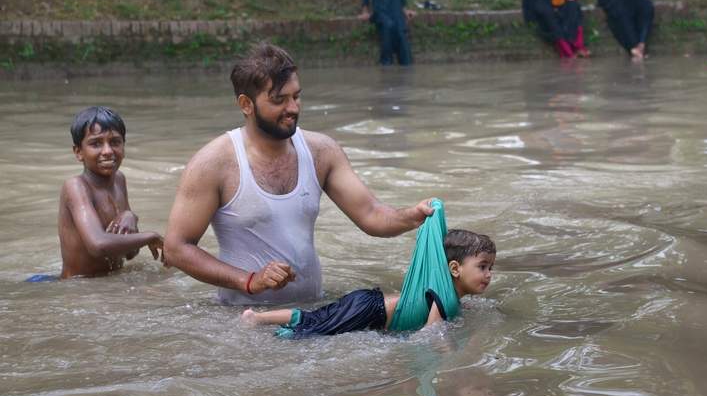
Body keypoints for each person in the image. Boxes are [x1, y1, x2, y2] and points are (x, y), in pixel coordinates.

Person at [164, 42, 434, 305]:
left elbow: (372, 215)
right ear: (246, 104)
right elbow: (176, 248)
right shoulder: (212, 163)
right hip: (240, 319)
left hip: (312, 311)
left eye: (296, 96)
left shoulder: (322, 151)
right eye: (279, 100)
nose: (292, 108)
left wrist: (411, 216)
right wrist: (249, 280)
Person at [240, 229, 496, 338]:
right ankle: (269, 327)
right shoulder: (442, 295)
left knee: (316, 318)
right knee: (313, 330)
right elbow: (430, 331)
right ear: (455, 269)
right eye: (482, 267)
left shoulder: (450, 294)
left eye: (490, 268)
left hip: (368, 303)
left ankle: (258, 318)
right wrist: (444, 346)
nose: (488, 274)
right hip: (367, 310)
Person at [58, 107, 164, 278]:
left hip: (108, 283)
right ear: (78, 152)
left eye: (115, 142)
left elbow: (130, 253)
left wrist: (130, 216)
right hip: (79, 289)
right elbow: (98, 245)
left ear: (124, 146)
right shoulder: (76, 187)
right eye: (96, 143)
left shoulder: (119, 180)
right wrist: (151, 237)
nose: (107, 151)